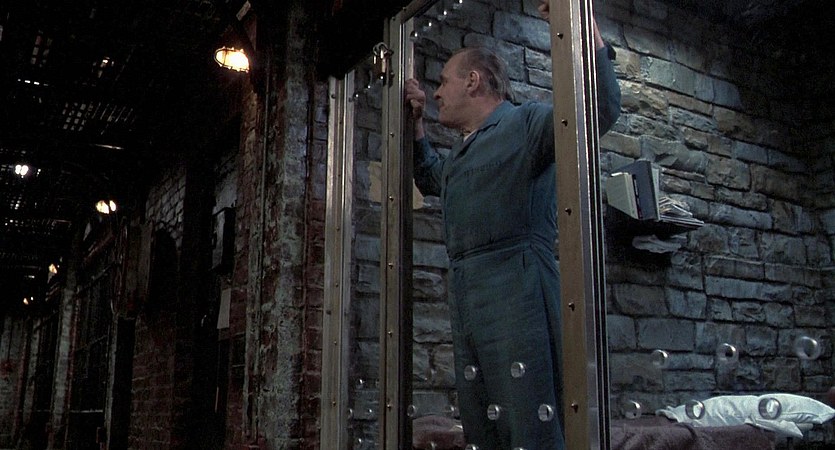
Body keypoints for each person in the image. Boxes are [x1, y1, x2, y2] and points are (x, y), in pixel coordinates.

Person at [403, 1, 621, 449]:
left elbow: (599, 108)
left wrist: (583, 23)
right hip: (469, 297)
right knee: (483, 423)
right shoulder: (463, 153)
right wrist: (416, 124)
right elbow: (431, 177)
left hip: (519, 293)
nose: (437, 92)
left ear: (473, 80)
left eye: (443, 82)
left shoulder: (526, 124)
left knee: (530, 423)